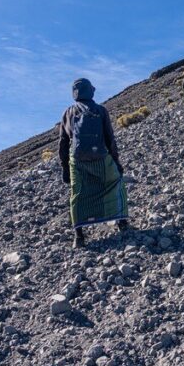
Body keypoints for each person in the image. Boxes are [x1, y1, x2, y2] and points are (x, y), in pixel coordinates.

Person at [57, 78, 128, 249]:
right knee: (115, 183)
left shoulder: (68, 113)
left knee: (78, 193)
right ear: (90, 91)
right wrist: (116, 162)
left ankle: (79, 236)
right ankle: (122, 222)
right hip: (101, 157)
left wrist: (65, 168)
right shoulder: (100, 110)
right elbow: (110, 139)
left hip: (77, 160)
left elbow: (63, 143)